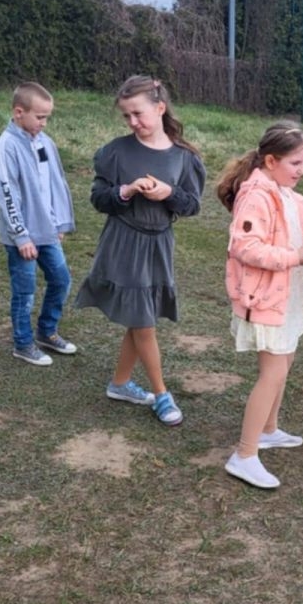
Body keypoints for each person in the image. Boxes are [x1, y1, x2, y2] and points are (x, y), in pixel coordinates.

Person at [218, 122, 303, 489]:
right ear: (271, 161)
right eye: (295, 162)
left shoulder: (290, 196)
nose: (302, 170)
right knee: (272, 372)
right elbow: (245, 247)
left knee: (284, 364)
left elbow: (293, 238)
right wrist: (295, 257)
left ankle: (268, 430)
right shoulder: (256, 196)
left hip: (288, 294)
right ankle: (244, 455)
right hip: (265, 298)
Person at [75, 75, 205, 425]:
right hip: (123, 242)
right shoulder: (116, 152)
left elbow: (192, 205)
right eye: (126, 116)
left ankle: (119, 383)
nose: (132, 122)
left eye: (138, 113)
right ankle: (162, 394)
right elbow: (98, 199)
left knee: (140, 314)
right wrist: (126, 191)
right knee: (143, 321)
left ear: (160, 108)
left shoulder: (183, 157)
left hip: (159, 244)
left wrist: (168, 194)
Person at [0, 81, 77, 367]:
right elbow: (7, 193)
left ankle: (46, 332)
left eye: (47, 117)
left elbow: (56, 183)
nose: (44, 123)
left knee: (61, 280)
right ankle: (23, 343)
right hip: (23, 238)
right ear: (19, 112)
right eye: (40, 117)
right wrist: (21, 236)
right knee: (24, 291)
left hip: (47, 231)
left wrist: (60, 223)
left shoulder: (44, 142)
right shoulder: (6, 146)